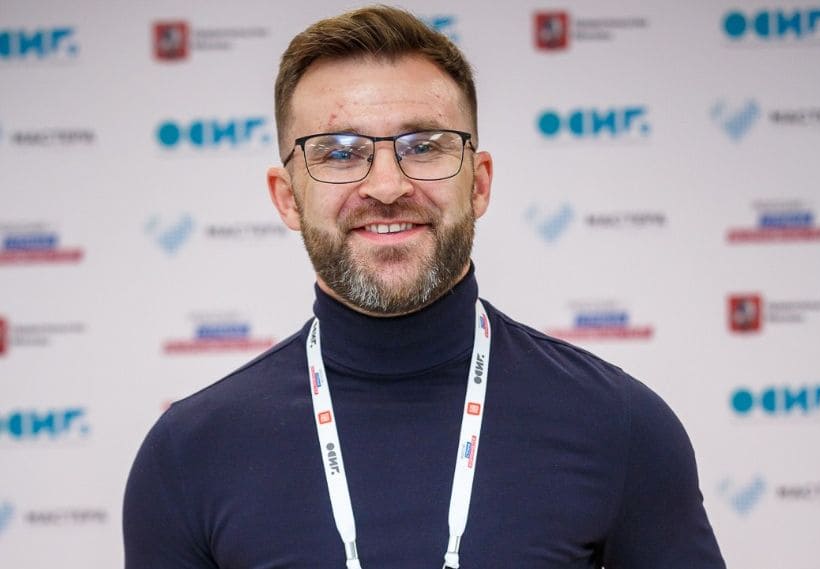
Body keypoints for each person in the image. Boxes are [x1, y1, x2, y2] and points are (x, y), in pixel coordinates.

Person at [123, 6, 726, 568]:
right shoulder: (188, 456)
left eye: (424, 146)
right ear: (287, 198)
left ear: (479, 183)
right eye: (339, 153)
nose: (387, 186)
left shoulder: (620, 426)